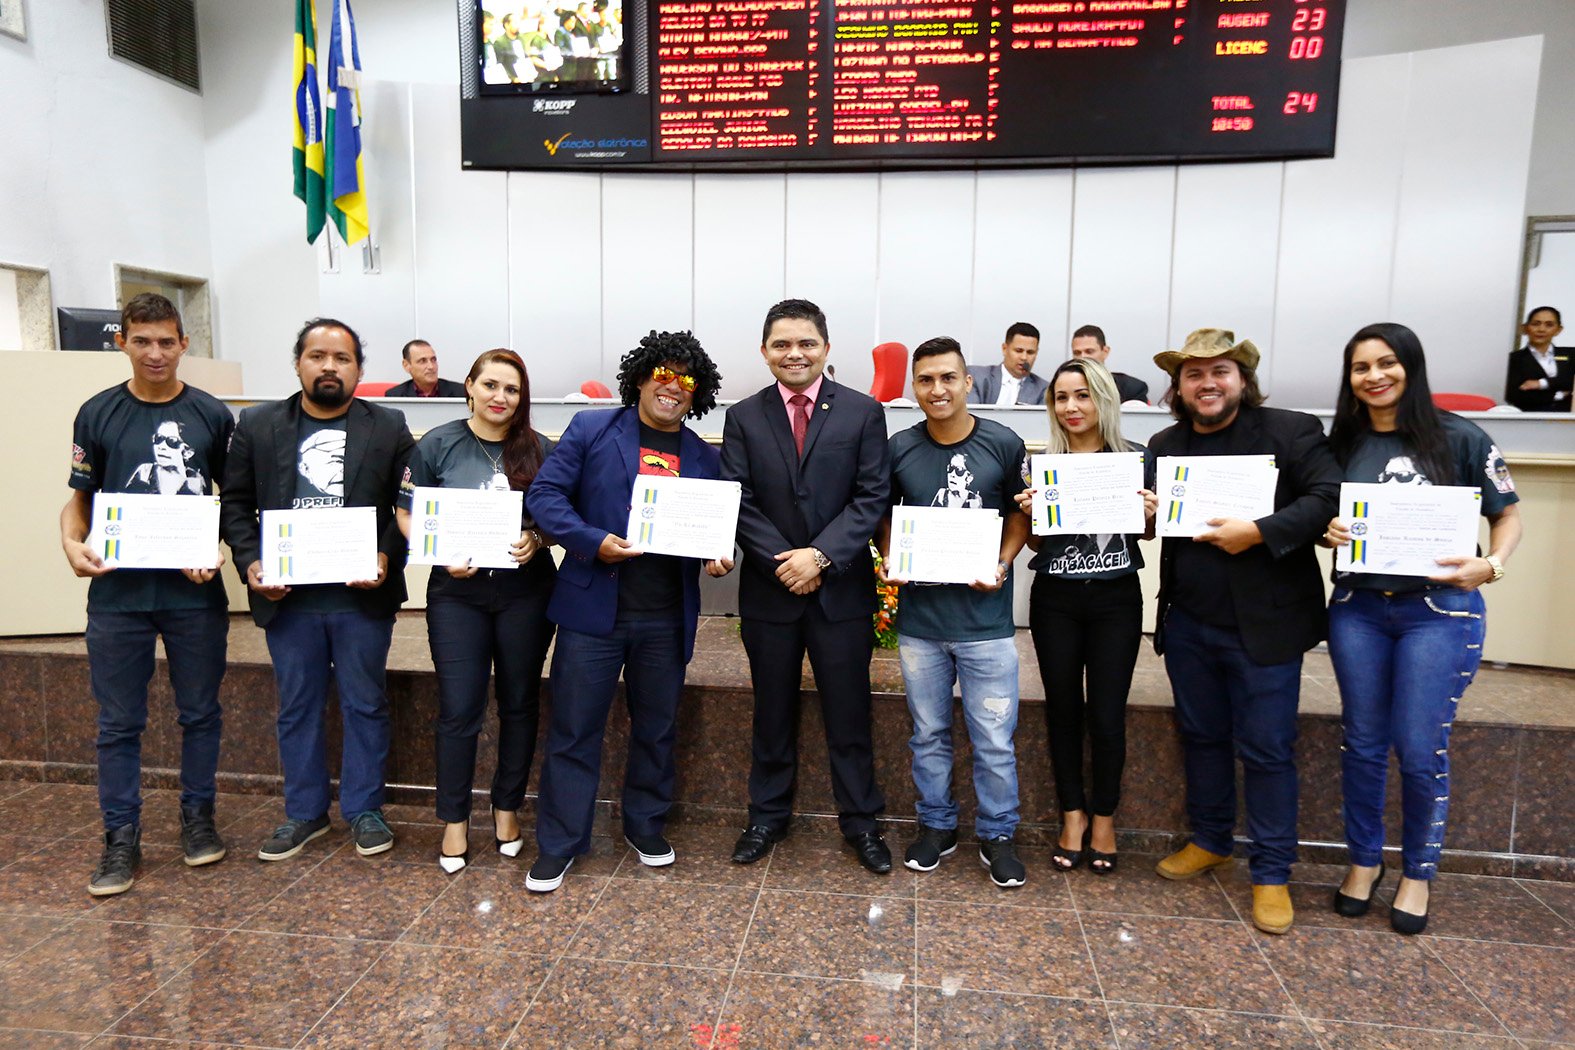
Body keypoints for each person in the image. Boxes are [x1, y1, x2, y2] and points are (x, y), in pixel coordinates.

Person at [1321, 323, 1522, 934]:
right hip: (1358, 609)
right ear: (1349, 379)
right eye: (1361, 368)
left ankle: (1416, 872)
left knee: (1416, 746)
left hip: (1437, 613)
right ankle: (1363, 862)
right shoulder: (1342, 442)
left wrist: (1491, 563)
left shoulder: (1459, 436)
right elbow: (1318, 510)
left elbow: (1508, 514)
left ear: (1411, 367)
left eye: (1387, 364)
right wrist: (1325, 530)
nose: (1375, 376)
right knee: (1361, 742)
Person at [1147, 328, 1340, 936]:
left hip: (1267, 626)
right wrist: (1142, 512)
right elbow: (1151, 522)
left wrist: (1257, 531)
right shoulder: (1165, 441)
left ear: (1242, 380)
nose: (1207, 384)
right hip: (1190, 623)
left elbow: (1328, 497)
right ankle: (1210, 839)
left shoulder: (1291, 430)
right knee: (1201, 737)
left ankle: (1273, 871)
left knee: (1266, 748)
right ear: (1179, 386)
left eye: (1220, 373)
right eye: (1194, 375)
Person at [523, 331, 732, 892]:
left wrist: (718, 555)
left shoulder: (702, 458)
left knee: (657, 729)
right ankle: (562, 843)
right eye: (662, 373)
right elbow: (544, 498)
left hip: (665, 617)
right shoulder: (594, 430)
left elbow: (712, 531)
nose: (672, 386)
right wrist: (593, 540)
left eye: (686, 380)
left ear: (698, 394)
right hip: (595, 611)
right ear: (640, 377)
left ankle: (644, 825)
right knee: (573, 730)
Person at [220, 318, 415, 861]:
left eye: (343, 357)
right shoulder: (257, 425)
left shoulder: (389, 425)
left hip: (361, 595)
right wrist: (252, 562)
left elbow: (403, 507)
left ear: (358, 368)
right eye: (317, 355)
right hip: (290, 598)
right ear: (298, 362)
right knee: (298, 705)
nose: (330, 366)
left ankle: (365, 810)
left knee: (365, 702)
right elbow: (235, 505)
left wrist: (384, 554)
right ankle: (304, 813)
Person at [61, 293, 233, 896]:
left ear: (185, 344)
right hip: (118, 597)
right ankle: (120, 837)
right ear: (121, 344)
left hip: (193, 597)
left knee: (201, 713)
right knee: (118, 723)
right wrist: (69, 541)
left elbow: (229, 506)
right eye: (142, 341)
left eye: (166, 341)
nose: (155, 353)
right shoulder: (96, 413)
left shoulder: (214, 416)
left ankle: (198, 820)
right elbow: (80, 499)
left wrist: (217, 550)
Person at [723, 298, 893, 874]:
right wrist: (783, 561)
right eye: (781, 344)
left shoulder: (864, 414)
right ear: (765, 351)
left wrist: (820, 556)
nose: (794, 354)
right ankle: (766, 817)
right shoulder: (743, 417)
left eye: (806, 343)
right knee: (771, 711)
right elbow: (738, 499)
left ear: (825, 347)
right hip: (771, 593)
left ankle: (862, 823)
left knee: (849, 713)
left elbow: (872, 497)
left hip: (840, 591)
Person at [395, 349, 557, 874]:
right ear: (468, 386)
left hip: (526, 594)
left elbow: (561, 514)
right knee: (459, 707)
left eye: (511, 389)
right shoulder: (438, 444)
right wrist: (438, 552)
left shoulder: (541, 449)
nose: (500, 398)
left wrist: (538, 537)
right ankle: (454, 819)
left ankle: (507, 808)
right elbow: (404, 512)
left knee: (518, 703)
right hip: (456, 596)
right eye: (490, 385)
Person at [877, 337, 1031, 887]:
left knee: (993, 738)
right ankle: (937, 826)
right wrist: (892, 554)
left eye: (947, 378)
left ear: (968, 383)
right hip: (922, 625)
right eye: (925, 380)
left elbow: (1021, 517)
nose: (936, 390)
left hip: (985, 624)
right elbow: (882, 515)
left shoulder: (1004, 443)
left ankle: (998, 834)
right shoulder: (898, 448)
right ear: (914, 387)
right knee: (928, 733)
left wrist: (1003, 561)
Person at [1015, 358, 1157, 876]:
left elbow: (1144, 536)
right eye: (1061, 397)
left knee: (1107, 714)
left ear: (1103, 400)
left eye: (1083, 396)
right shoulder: (1042, 464)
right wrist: (1030, 515)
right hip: (1056, 599)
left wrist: (1149, 516)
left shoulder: (1135, 461)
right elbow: (1034, 543)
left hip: (1117, 599)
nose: (1071, 407)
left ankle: (1104, 818)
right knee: (1063, 711)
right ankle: (1071, 815)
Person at [1504, 306, 1571, 412]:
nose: (1541, 329)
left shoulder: (1571, 355)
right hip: (1530, 419)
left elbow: (1570, 380)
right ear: (1524, 328)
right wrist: (1560, 394)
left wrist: (1542, 383)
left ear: (1558, 330)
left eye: (1549, 325)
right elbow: (1514, 395)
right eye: (1536, 324)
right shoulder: (1513, 359)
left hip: (1568, 420)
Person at [966, 322, 1048, 406]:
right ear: (1004, 349)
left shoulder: (1043, 389)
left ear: (1036, 353)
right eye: (1018, 351)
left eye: (1030, 352)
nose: (1024, 357)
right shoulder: (976, 376)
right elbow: (972, 413)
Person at [1070, 324, 1150, 405]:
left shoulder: (1131, 388)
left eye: (1089, 351)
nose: (1082, 357)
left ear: (1105, 351)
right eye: (1077, 353)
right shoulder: (1063, 387)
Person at [386, 339, 467, 398]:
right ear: (406, 365)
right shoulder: (395, 396)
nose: (431, 366)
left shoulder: (460, 392)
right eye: (422, 361)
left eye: (433, 360)